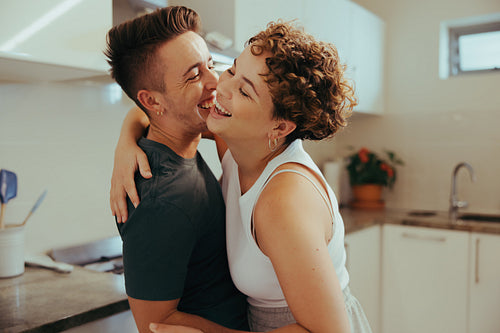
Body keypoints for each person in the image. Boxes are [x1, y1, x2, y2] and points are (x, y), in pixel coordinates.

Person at [111, 20, 373, 333]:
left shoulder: (282, 202)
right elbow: (160, 112)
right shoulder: (241, 141)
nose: (220, 86)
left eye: (244, 91)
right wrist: (126, 143)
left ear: (279, 127)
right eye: (233, 70)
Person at [104, 6, 248, 333]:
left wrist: (126, 137)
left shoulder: (188, 134)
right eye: (194, 75)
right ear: (153, 102)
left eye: (210, 64)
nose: (216, 81)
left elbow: (143, 115)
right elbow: (154, 324)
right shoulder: (160, 200)